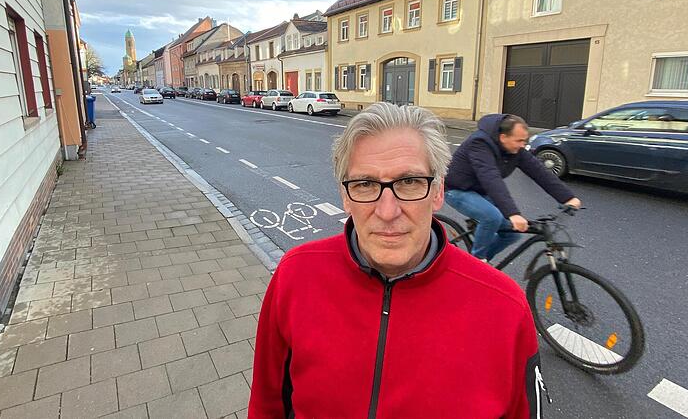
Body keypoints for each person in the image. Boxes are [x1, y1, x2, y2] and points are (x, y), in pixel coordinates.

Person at [249, 103, 546, 418]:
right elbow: (267, 405)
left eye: (409, 182)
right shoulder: (295, 276)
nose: (388, 211)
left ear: (437, 192)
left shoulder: (505, 308)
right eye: (365, 185)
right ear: (345, 196)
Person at [445, 114, 581, 262]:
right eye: (519, 140)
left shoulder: (515, 149)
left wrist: (567, 197)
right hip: (457, 189)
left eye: (525, 140)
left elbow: (539, 171)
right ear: (503, 137)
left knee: (512, 234)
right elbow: (491, 177)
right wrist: (513, 213)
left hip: (482, 191)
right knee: (492, 217)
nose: (523, 145)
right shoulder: (479, 144)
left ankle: (482, 265)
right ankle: (476, 263)